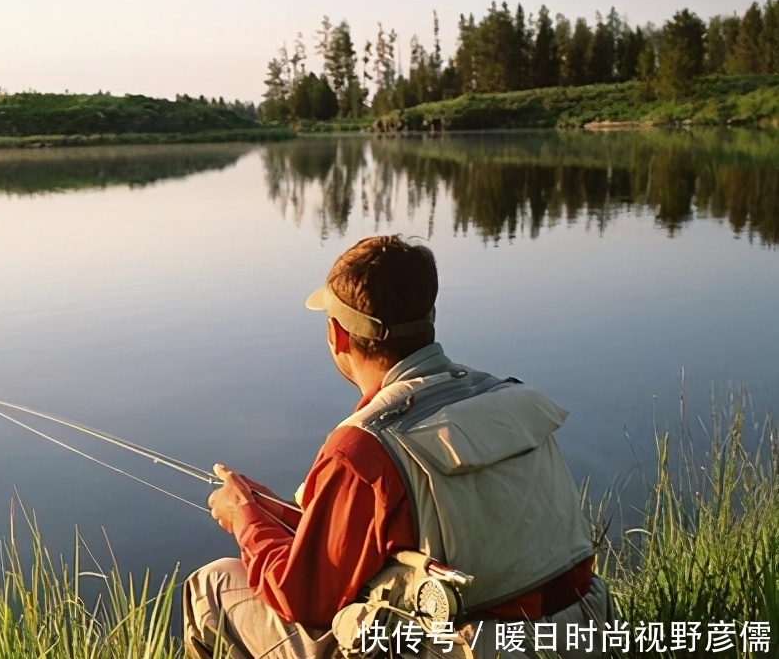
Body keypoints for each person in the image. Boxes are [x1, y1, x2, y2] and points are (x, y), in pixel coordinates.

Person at [183, 235, 611, 659]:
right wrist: (283, 517)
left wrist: (245, 520)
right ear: (429, 320)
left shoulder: (363, 449)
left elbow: (306, 602)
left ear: (338, 335)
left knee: (213, 585)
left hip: (467, 651)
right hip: (579, 635)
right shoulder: (506, 400)